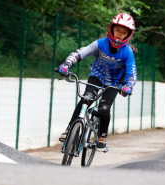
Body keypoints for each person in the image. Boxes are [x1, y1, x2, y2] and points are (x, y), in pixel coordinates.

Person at [58, 13, 138, 152]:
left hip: (114, 83)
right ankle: (69, 129)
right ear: (111, 28)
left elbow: (131, 73)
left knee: (104, 108)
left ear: (128, 35)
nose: (119, 34)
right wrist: (66, 65)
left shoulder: (127, 52)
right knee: (86, 99)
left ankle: (102, 137)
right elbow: (81, 52)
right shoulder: (101, 43)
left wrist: (128, 86)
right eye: (118, 30)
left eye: (124, 32)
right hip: (97, 76)